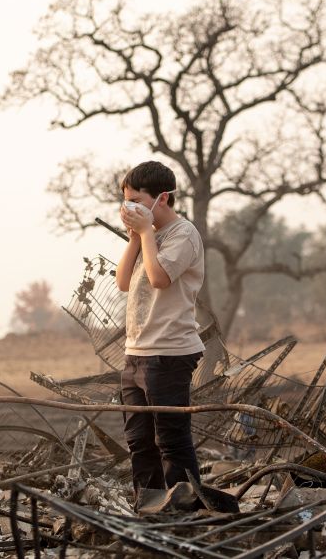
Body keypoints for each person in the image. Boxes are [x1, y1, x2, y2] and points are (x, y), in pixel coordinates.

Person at [116, 160, 205, 499]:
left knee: (170, 440)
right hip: (136, 352)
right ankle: (150, 511)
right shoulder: (144, 236)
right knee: (139, 441)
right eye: (126, 201)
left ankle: (187, 512)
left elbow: (159, 278)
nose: (130, 208)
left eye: (137, 200)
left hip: (170, 352)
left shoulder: (184, 235)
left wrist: (147, 234)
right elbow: (124, 282)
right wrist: (136, 238)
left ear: (162, 198)